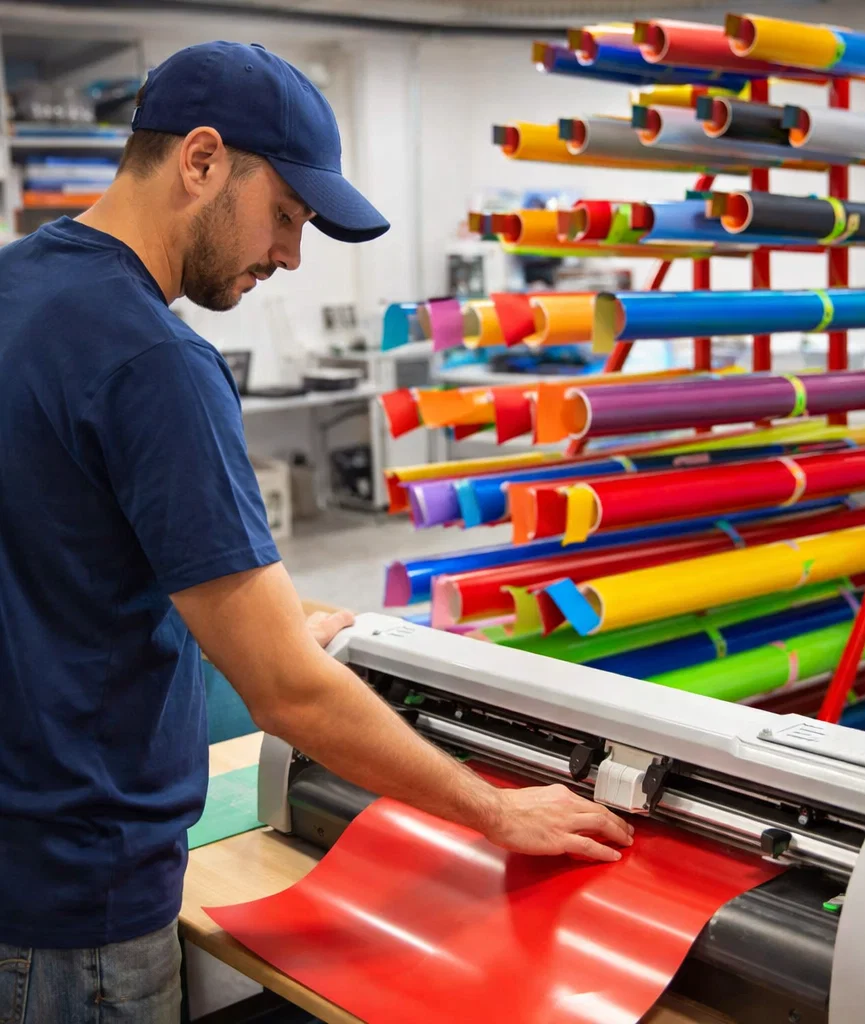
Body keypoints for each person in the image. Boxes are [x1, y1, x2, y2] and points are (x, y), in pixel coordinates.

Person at [0, 41, 632, 1023]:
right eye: (286, 215)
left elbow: (58, 538)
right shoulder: (154, 361)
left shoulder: (18, 291)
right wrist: (498, 809)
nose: (290, 254)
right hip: (82, 905)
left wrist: (272, 607)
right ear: (202, 161)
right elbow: (286, 691)